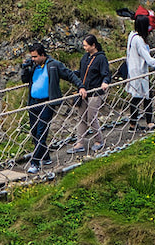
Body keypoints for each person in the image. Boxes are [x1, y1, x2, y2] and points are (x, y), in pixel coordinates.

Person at [20, 43, 81, 171]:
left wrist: (80, 86)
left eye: (35, 56)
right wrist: (25, 68)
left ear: (42, 55)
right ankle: (46, 156)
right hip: (33, 103)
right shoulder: (33, 66)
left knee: (41, 132)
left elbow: (69, 74)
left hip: (47, 103)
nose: (33, 59)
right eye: (32, 57)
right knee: (34, 132)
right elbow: (24, 80)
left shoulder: (53, 65)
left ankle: (35, 163)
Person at [68, 34, 110, 155]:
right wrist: (70, 75)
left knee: (91, 117)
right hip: (84, 92)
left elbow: (106, 73)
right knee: (82, 117)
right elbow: (81, 72)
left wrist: (105, 82)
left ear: (93, 45)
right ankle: (80, 143)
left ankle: (98, 140)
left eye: (86, 45)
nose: (85, 48)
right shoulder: (85, 58)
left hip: (95, 92)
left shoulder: (101, 58)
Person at [125, 21, 155, 130]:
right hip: (139, 72)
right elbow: (149, 60)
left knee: (141, 96)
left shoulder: (132, 35)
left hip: (133, 70)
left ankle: (134, 123)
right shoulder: (139, 40)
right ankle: (147, 123)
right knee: (143, 97)